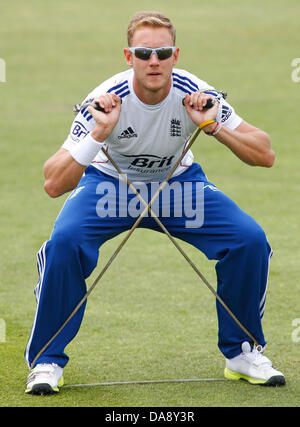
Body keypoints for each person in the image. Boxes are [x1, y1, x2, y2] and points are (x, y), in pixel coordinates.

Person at [25, 11, 285, 395]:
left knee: (249, 240)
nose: (154, 61)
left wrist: (211, 127)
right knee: (64, 244)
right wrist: (98, 132)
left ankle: (243, 352)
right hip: (109, 187)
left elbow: (264, 154)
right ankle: (46, 361)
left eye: (162, 52)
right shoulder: (105, 98)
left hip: (178, 186)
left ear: (175, 55)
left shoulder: (193, 90)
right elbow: (52, 182)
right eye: (143, 53)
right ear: (128, 57)